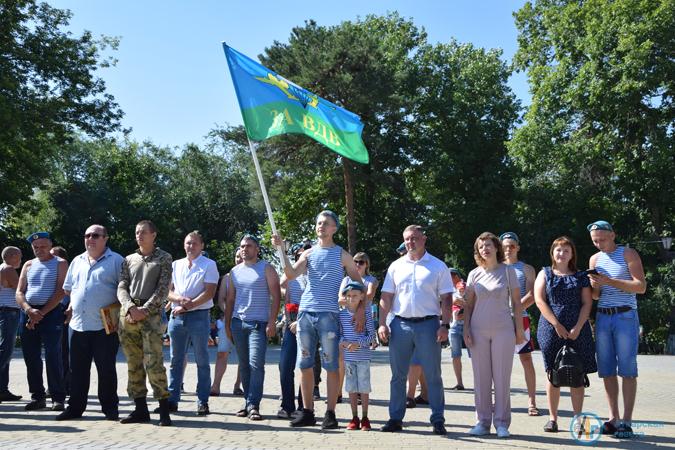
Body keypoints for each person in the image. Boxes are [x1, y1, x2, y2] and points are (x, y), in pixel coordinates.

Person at [272, 210, 365, 429]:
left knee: (331, 365)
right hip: (306, 314)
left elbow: (358, 283)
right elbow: (291, 274)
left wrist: (360, 309)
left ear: (334, 228)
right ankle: (307, 411)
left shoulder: (342, 255)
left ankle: (330, 413)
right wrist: (281, 251)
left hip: (329, 316)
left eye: (326, 223)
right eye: (318, 223)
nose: (321, 226)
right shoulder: (309, 254)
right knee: (304, 364)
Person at [378, 225, 454, 436]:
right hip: (400, 324)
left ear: (424, 239)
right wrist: (382, 323)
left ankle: (438, 419)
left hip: (429, 325)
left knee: (433, 375)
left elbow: (447, 298)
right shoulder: (396, 266)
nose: (410, 243)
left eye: (414, 238)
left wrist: (444, 324)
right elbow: (386, 297)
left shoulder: (438, 266)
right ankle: (395, 418)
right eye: (407, 239)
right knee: (398, 375)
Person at [56, 224, 124, 421]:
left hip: (105, 326)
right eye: (87, 235)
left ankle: (110, 409)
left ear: (105, 238)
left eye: (95, 235)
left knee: (106, 370)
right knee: (76, 371)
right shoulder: (77, 260)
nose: (90, 239)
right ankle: (75, 409)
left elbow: (125, 291)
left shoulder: (117, 261)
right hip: (77, 325)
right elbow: (68, 289)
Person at [463, 232, 526, 438]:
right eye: (481, 246)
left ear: (496, 247)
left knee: (501, 378)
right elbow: (468, 305)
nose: (485, 249)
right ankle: (482, 422)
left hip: (504, 331)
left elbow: (517, 304)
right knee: (481, 379)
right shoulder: (473, 274)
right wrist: (466, 330)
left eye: (488, 245)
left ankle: (501, 423)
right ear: (478, 251)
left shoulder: (508, 272)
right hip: (477, 330)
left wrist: (519, 331)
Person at [587, 220, 646, 438]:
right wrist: (596, 284)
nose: (598, 243)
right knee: (607, 370)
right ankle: (613, 418)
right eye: (594, 240)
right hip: (603, 317)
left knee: (628, 369)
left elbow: (640, 286)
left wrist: (608, 280)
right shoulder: (595, 259)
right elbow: (595, 296)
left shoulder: (628, 254)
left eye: (602, 239)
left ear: (613, 235)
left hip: (625, 316)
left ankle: (627, 421)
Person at [535, 236, 596, 433]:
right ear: (553, 252)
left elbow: (587, 303)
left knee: (577, 373)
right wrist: (556, 324)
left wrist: (578, 327)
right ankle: (552, 419)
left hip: (577, 329)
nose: (562, 254)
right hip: (551, 329)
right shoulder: (544, 273)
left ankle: (578, 420)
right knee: (553, 373)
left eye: (566, 250)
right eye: (558, 250)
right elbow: (539, 300)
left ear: (572, 254)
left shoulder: (581, 276)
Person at [117, 220, 173, 426]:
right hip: (129, 316)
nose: (139, 236)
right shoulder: (129, 259)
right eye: (137, 232)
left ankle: (164, 411)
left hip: (152, 317)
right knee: (133, 363)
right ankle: (140, 409)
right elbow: (122, 286)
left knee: (154, 363)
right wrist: (130, 307)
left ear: (153, 235)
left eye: (143, 232)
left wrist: (145, 310)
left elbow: (163, 289)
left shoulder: (164, 258)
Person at [225, 235, 280, 421]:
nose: (244, 249)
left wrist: (272, 321)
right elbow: (230, 299)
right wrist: (227, 325)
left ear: (257, 249)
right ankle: (248, 403)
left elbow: (276, 296)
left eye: (248, 246)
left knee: (256, 364)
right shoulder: (234, 272)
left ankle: (254, 404)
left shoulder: (267, 268)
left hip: (259, 324)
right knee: (244, 366)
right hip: (238, 323)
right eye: (242, 246)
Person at [166, 231, 219, 416]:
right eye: (188, 243)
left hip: (199, 316)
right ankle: (172, 400)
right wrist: (179, 299)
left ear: (202, 246)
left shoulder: (209, 264)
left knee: (202, 360)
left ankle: (202, 401)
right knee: (175, 360)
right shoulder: (176, 264)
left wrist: (187, 306)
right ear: (184, 245)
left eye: (195, 243)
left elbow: (209, 292)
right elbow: (167, 290)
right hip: (177, 317)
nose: (191, 246)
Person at [15, 231, 68, 411]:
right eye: (36, 247)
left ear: (51, 245)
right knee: (31, 357)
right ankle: (37, 397)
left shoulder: (60, 263)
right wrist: (29, 310)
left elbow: (61, 290)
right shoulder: (28, 264)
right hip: (29, 313)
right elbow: (19, 292)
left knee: (53, 356)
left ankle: (57, 397)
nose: (40, 250)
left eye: (44, 246)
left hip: (50, 313)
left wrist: (41, 313)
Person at [500, 232, 539, 416]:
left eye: (512, 245)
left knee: (526, 359)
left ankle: (532, 402)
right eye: (505, 245)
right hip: (498, 319)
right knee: (498, 362)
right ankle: (500, 402)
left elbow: (532, 295)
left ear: (518, 247)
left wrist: (513, 310)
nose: (508, 249)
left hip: (519, 318)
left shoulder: (527, 269)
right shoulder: (495, 268)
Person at [337, 251, 379, 403]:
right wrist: (355, 304)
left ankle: (361, 392)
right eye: (355, 261)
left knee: (361, 360)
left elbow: (368, 296)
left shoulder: (371, 280)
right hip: (347, 318)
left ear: (367, 264)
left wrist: (360, 310)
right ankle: (339, 392)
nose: (357, 264)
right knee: (343, 358)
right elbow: (340, 299)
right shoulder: (346, 279)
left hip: (363, 321)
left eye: (361, 262)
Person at [277, 243, 308, 419]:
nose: (301, 259)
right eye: (298, 256)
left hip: (308, 325)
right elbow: (282, 286)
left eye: (305, 256)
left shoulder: (315, 276)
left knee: (306, 366)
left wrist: (301, 322)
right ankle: (287, 405)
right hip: (290, 323)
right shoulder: (291, 276)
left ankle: (304, 406)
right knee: (285, 365)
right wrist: (281, 249)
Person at [340, 281, 375, 431]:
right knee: (352, 388)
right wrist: (344, 342)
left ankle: (365, 417)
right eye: (348, 296)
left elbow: (371, 336)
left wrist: (358, 344)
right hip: (349, 358)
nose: (351, 298)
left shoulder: (367, 314)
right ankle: (354, 417)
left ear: (361, 296)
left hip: (363, 357)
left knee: (364, 387)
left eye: (355, 295)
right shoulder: (341, 315)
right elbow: (339, 334)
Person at [210, 249, 244, 397]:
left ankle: (238, 385)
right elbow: (221, 300)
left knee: (244, 356)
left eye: (241, 256)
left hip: (245, 321)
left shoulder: (255, 277)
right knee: (222, 353)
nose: (238, 259)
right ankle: (215, 385)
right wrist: (229, 314)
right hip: (228, 321)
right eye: (236, 256)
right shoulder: (227, 278)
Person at [0, 246, 23, 402]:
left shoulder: (2, 268)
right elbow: (21, 289)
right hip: (8, 312)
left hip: (6, 312)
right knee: (5, 351)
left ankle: (3, 389)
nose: (21, 260)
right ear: (12, 256)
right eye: (19, 256)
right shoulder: (8, 269)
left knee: (5, 351)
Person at [50, 246, 71, 397]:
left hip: (64, 313)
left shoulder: (68, 272)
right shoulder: (50, 271)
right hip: (51, 314)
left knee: (63, 351)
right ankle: (56, 384)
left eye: (54, 256)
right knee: (54, 352)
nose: (52, 259)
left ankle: (65, 384)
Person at [448, 268, 467, 390]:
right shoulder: (449, 290)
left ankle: (481, 382)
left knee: (475, 356)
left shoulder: (464, 285)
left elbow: (471, 303)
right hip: (454, 325)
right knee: (455, 355)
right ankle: (459, 383)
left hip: (468, 325)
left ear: (454, 276)